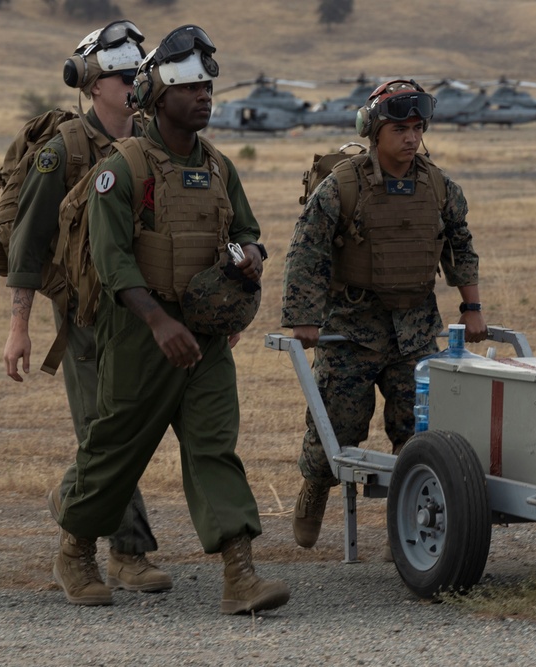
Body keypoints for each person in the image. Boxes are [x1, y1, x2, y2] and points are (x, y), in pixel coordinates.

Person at [51, 25, 289, 615]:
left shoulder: (218, 167)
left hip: (205, 335)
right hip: (139, 331)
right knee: (116, 447)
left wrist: (250, 259)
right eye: (189, 88)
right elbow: (111, 259)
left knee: (214, 447)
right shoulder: (123, 167)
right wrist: (159, 322)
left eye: (208, 86)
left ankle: (240, 574)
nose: (204, 97)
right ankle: (76, 549)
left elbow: (246, 230)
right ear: (157, 96)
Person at [2, 20, 173, 597]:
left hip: (142, 310)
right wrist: (19, 326)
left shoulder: (152, 142)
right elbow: (26, 245)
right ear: (91, 83)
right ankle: (96, 555)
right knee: (104, 434)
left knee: (131, 428)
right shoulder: (64, 152)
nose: (134, 84)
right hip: (82, 317)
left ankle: (108, 536)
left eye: (139, 75)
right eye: (124, 75)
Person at [281, 79, 487, 549]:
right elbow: (306, 250)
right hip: (350, 331)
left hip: (414, 331)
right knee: (335, 430)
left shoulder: (438, 185)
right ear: (374, 130)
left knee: (419, 436)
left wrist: (472, 306)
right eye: (400, 129)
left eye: (417, 128)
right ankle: (315, 488)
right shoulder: (344, 186)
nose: (411, 138)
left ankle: (415, 526)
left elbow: (461, 243)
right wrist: (304, 318)